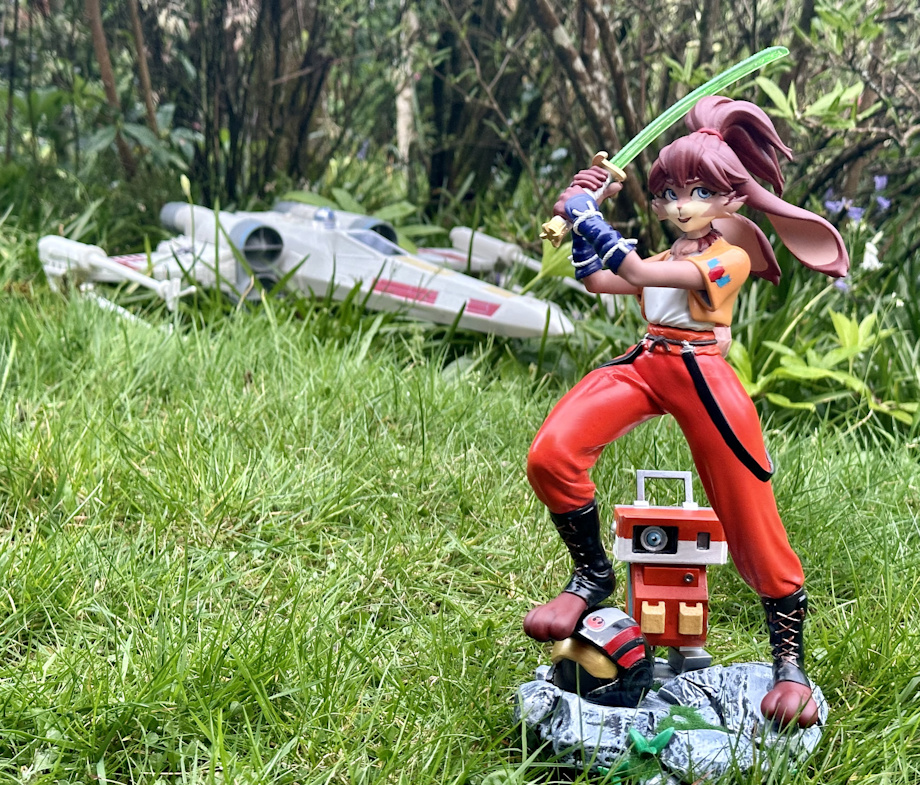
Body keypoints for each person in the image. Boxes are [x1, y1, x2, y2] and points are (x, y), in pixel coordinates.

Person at [524, 96, 848, 728]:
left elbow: (633, 267)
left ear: (731, 198)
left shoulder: (729, 257)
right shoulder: (670, 255)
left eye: (698, 191)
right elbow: (602, 279)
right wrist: (579, 211)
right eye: (668, 193)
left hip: (702, 377)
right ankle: (590, 575)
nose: (680, 205)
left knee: (750, 515)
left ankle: (789, 663)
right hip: (647, 363)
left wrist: (589, 215)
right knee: (552, 454)